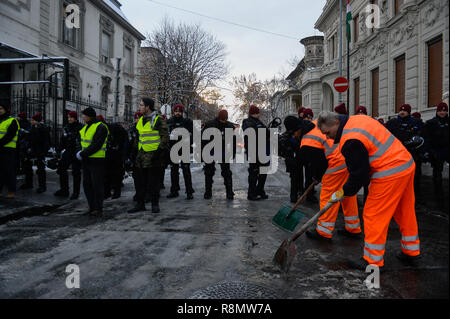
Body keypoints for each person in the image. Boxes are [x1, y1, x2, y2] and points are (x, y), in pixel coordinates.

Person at [317, 111, 421, 270]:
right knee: (404, 210)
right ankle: (411, 251)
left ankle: (372, 260)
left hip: (389, 172)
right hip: (405, 163)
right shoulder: (358, 120)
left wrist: (345, 191)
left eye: (327, 133)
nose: (328, 138)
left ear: (336, 123)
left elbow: (359, 174)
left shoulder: (350, 140)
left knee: (374, 214)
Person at [300, 119, 362, 240]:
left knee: (328, 194)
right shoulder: (317, 123)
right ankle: (353, 228)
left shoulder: (308, 139)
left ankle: (323, 231)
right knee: (347, 194)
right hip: (346, 158)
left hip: (335, 162)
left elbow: (318, 163)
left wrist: (317, 176)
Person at [128, 98, 169, 214]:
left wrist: (158, 153)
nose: (140, 107)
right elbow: (139, 137)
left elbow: (165, 138)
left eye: (141, 105)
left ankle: (155, 204)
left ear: (148, 107)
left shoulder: (158, 120)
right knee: (140, 182)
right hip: (141, 156)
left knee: (153, 182)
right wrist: (133, 152)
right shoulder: (141, 120)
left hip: (153, 157)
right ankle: (140, 204)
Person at [77, 107, 109, 217]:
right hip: (87, 159)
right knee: (87, 184)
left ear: (89, 116)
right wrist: (80, 152)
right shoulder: (85, 127)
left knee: (97, 185)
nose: (82, 117)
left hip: (97, 159)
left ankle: (98, 208)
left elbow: (96, 145)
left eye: (84, 115)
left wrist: (82, 153)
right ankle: (92, 207)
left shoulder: (100, 127)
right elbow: (82, 142)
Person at [386, 104, 423, 189]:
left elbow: (423, 136)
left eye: (405, 111)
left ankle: (416, 196)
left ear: (409, 112)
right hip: (397, 154)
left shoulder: (416, 122)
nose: (402, 112)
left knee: (415, 177)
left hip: (413, 154)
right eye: (401, 110)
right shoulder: (392, 123)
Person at [202, 109, 236, 200]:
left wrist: (233, 152)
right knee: (209, 172)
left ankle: (229, 192)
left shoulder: (229, 126)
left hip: (223, 151)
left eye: (225, 120)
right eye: (222, 120)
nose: (223, 122)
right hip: (211, 150)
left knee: (227, 173)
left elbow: (233, 141)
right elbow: (203, 139)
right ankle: (208, 192)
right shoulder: (210, 125)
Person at [166, 104, 195, 200]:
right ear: (173, 112)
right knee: (173, 171)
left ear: (182, 112)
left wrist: (189, 142)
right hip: (173, 148)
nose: (177, 113)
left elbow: (194, 134)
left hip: (184, 148)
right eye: (176, 111)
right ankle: (174, 190)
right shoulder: (169, 122)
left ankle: (189, 191)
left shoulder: (187, 122)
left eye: (179, 111)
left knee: (186, 170)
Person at [422, 102, 449, 201]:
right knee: (437, 174)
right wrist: (430, 152)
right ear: (437, 111)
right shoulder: (431, 123)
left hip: (447, 151)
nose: (442, 112)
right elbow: (427, 138)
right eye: (440, 110)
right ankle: (438, 195)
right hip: (436, 152)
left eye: (444, 110)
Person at [242, 105, 270, 200]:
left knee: (263, 171)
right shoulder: (247, 122)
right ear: (254, 113)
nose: (259, 114)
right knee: (254, 173)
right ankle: (251, 193)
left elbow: (266, 132)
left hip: (261, 150)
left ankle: (260, 190)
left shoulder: (259, 122)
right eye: (258, 112)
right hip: (253, 151)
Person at [54, 111, 83, 199]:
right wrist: (58, 150)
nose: (69, 119)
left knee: (76, 172)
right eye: (68, 117)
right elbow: (63, 140)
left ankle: (75, 192)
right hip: (68, 151)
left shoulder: (80, 127)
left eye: (71, 117)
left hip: (76, 152)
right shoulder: (66, 127)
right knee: (61, 169)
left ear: (75, 118)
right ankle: (64, 190)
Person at [278, 116, 307, 203]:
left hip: (296, 158)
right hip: (292, 159)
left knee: (298, 176)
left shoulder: (291, 135)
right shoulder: (288, 137)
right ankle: (294, 196)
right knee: (294, 177)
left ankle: (298, 192)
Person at [21, 113, 51, 193]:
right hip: (31, 150)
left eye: (33, 120)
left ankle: (42, 186)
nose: (31, 121)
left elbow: (46, 141)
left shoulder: (43, 129)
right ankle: (28, 183)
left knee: (40, 169)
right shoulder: (32, 128)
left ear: (37, 121)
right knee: (27, 167)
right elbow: (29, 139)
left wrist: (43, 152)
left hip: (39, 151)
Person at [104, 120, 128, 200]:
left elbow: (123, 143)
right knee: (111, 174)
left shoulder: (113, 129)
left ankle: (113, 192)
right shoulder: (107, 129)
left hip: (115, 155)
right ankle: (111, 192)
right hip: (113, 155)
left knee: (113, 174)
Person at [0, 104, 20, 199]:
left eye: (1, 108)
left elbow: (10, 135)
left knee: (9, 171)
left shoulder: (12, 120)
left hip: (8, 149)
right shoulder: (1, 121)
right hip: (1, 149)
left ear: (5, 109)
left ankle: (11, 191)